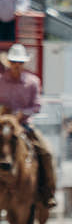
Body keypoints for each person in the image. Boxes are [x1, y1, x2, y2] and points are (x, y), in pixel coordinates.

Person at [0, 43, 57, 208]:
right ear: (9, 62)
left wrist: (22, 113)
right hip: (2, 126)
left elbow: (37, 106)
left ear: (24, 64)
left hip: (24, 126)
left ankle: (47, 191)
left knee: (46, 152)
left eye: (20, 62)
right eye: (14, 62)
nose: (16, 65)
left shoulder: (32, 82)